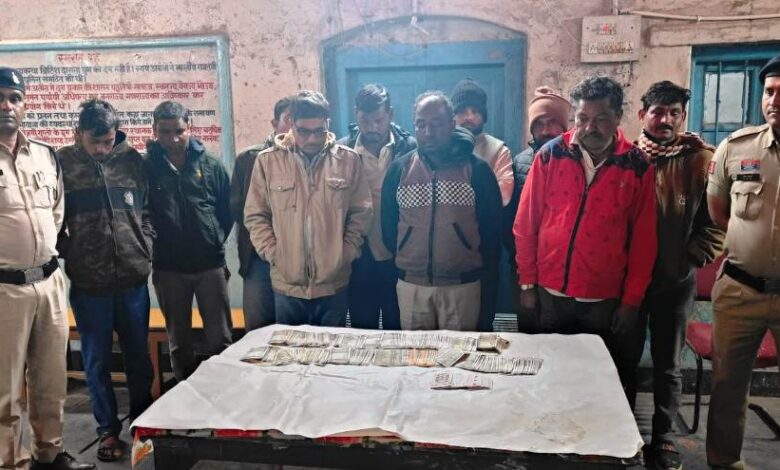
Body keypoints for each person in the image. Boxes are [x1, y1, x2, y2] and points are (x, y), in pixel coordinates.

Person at [514, 76, 657, 407]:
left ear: (618, 117)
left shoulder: (637, 166)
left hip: (603, 302)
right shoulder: (551, 155)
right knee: (546, 383)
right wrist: (527, 285)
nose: (589, 128)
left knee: (598, 388)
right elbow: (526, 225)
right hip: (550, 297)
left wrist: (631, 301)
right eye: (582, 118)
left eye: (600, 119)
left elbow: (644, 242)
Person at [0, 67, 95, 470]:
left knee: (51, 380)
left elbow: (56, 214)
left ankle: (50, 454)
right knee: (4, 390)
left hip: (49, 282)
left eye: (15, 98)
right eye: (0, 97)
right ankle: (10, 462)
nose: (7, 106)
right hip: (4, 290)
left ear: (24, 105)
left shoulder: (44, 154)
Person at [57, 99, 155, 462]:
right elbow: (51, 217)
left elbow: (147, 211)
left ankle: (143, 424)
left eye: (107, 141)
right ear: (78, 134)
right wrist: (71, 251)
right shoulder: (62, 164)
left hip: (132, 279)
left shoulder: (132, 162)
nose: (101, 149)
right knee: (96, 360)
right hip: (89, 283)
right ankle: (107, 431)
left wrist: (145, 245)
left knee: (138, 357)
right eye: (94, 141)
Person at [634, 81, 725, 470]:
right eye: (658, 112)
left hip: (675, 281)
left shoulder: (701, 161)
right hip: (629, 282)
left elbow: (717, 222)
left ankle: (664, 437)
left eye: (674, 113)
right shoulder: (628, 158)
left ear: (683, 116)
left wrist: (690, 259)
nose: (666, 120)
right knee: (622, 358)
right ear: (643, 115)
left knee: (668, 364)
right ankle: (623, 432)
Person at [705, 55, 780, 470]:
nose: (774, 101)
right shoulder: (736, 148)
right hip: (739, 290)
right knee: (727, 387)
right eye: (769, 92)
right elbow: (719, 213)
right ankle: (724, 463)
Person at [244, 90, 372, 326]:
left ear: (327, 124)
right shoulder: (268, 161)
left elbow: (361, 212)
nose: (312, 139)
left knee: (332, 348)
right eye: (304, 131)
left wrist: (345, 253)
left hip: (334, 285)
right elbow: (256, 215)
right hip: (286, 286)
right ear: (291, 124)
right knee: (288, 349)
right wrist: (274, 254)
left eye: (319, 131)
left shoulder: (348, 160)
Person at [381, 91, 502, 331]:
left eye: (436, 124)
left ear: (452, 124)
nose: (428, 132)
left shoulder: (477, 170)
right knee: (415, 353)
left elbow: (492, 232)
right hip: (412, 286)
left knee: (460, 353)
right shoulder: (399, 170)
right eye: (421, 124)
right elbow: (388, 229)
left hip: (462, 286)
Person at [145, 100, 233, 381]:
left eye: (179, 131)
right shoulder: (146, 168)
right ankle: (184, 391)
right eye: (165, 131)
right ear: (154, 131)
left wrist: (214, 239)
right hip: (168, 269)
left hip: (210, 267)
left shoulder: (210, 165)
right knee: (179, 342)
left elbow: (227, 211)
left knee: (220, 339)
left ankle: (223, 392)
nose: (173, 139)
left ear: (189, 128)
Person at [337, 84, 416, 330]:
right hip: (358, 257)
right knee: (362, 330)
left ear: (390, 114)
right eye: (365, 120)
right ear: (356, 115)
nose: (372, 128)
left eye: (379, 121)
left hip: (398, 255)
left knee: (397, 329)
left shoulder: (410, 149)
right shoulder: (342, 152)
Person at [451, 78, 513, 331]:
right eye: (463, 110)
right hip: (448, 253)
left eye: (475, 111)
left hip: (485, 250)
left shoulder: (498, 151)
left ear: (483, 116)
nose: (469, 117)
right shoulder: (440, 148)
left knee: (482, 322)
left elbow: (502, 198)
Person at [507, 86, 571, 331]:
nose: (546, 130)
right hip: (524, 268)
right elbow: (511, 217)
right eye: (539, 124)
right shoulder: (519, 162)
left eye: (553, 122)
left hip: (561, 270)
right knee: (528, 332)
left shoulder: (577, 161)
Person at [230, 95, 293, 331]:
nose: (293, 127)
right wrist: (267, 237)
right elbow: (238, 209)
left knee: (290, 329)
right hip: (258, 257)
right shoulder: (249, 159)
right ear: (274, 123)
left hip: (295, 257)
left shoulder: (306, 158)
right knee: (257, 329)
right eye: (288, 119)